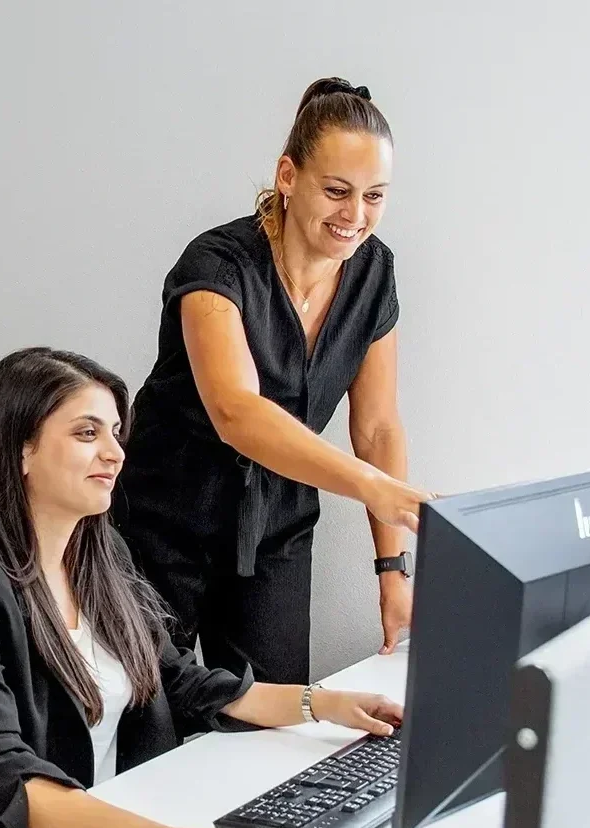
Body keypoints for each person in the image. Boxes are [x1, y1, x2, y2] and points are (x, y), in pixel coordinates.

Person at [0, 347, 403, 828]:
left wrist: (324, 704)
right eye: (86, 433)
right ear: (22, 448)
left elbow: (179, 680)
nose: (115, 453)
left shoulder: (99, 553)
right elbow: (2, 772)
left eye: (116, 433)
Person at [113, 77, 435, 686]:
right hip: (161, 523)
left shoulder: (374, 273)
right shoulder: (216, 266)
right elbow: (236, 412)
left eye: (374, 196)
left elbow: (377, 427)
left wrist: (393, 573)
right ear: (288, 176)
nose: (355, 216)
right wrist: (372, 487)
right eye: (336, 191)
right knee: (146, 717)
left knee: (275, 718)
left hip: (276, 530)